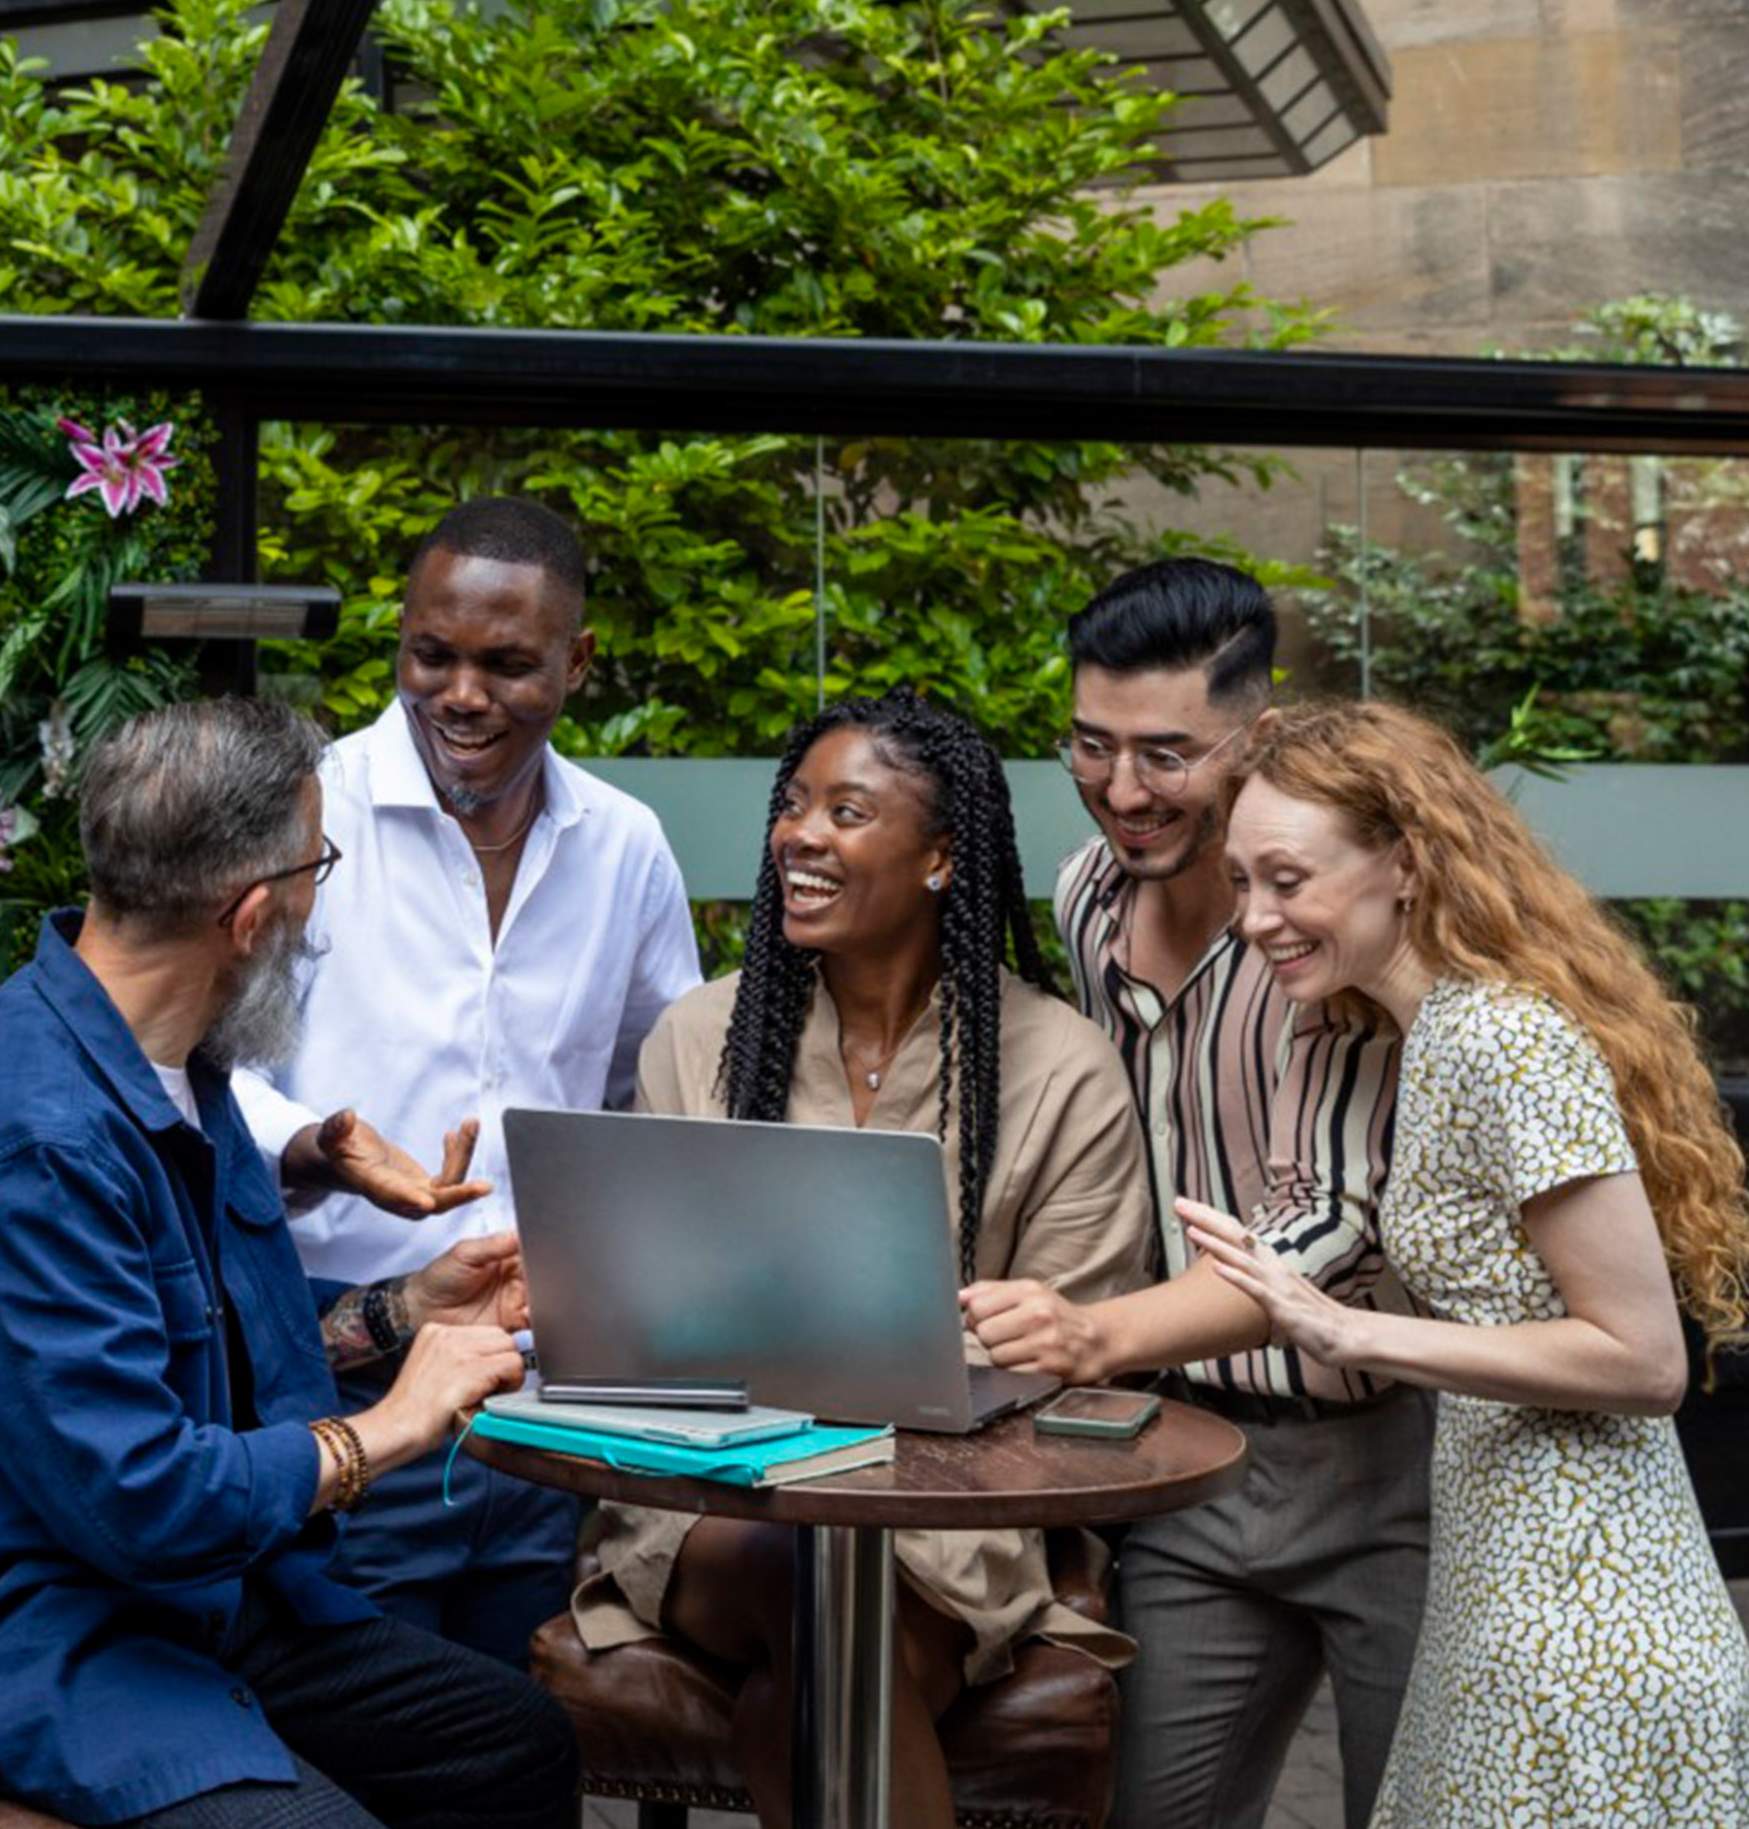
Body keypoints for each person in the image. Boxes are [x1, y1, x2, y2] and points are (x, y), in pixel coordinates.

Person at [0, 697, 584, 1829]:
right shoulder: (38, 1135)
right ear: (252, 911)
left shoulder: (178, 1071)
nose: (322, 903)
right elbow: (142, 1494)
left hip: (190, 1598)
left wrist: (405, 1308)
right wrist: (393, 1426)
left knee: (512, 1745)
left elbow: (204, 1338)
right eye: (320, 865)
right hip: (22, 1628)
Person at [1179, 701, 1749, 1829]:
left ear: (1403, 862)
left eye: (1288, 879)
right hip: (1511, 1599)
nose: (1256, 917)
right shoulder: (1442, 1030)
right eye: (1242, 881)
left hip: (1587, 1631)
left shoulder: (1502, 1038)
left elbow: (1645, 1358)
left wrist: (1348, 1330)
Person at [565, 687, 1152, 1829]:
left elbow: (1078, 1355)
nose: (800, 835)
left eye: (846, 811)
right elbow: (652, 1310)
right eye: (794, 807)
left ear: (941, 858)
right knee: (804, 1584)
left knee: (814, 1675)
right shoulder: (702, 1036)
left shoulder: (1062, 1067)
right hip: (719, 1502)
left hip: (949, 1518)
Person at [958, 558, 1427, 1829]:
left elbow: (1328, 1232)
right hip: (1192, 1464)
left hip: (1395, 1467)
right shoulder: (1086, 896)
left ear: (1257, 737)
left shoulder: (1329, 930)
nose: (1122, 789)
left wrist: (1093, 1332)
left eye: (1166, 754)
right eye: (1091, 745)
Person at [230, 495, 702, 1659]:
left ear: (577, 662)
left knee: (521, 1738)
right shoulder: (309, 808)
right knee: (384, 1732)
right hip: (344, 1366)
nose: (461, 694)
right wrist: (322, 1142)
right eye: (431, 654)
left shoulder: (625, 843)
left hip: (543, 1397)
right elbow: (207, 1070)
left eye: (506, 663)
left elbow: (662, 1089)